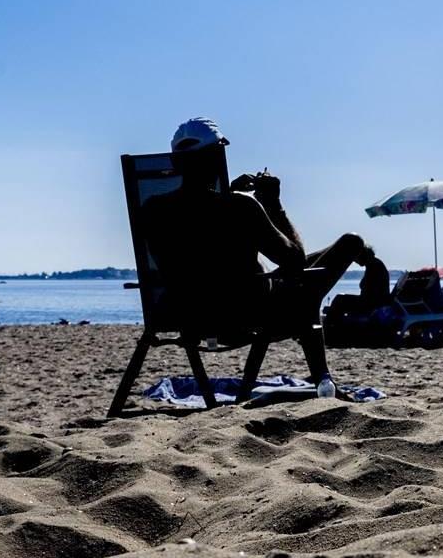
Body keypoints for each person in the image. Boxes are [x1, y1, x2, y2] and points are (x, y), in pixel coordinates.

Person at [149, 117, 373, 391]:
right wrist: (273, 205)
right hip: (247, 315)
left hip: (187, 313)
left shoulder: (154, 210)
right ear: (216, 157)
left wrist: (227, 194)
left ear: (175, 163)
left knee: (307, 289)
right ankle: (323, 380)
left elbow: (197, 234)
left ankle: (323, 380)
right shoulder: (241, 209)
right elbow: (294, 260)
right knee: (344, 249)